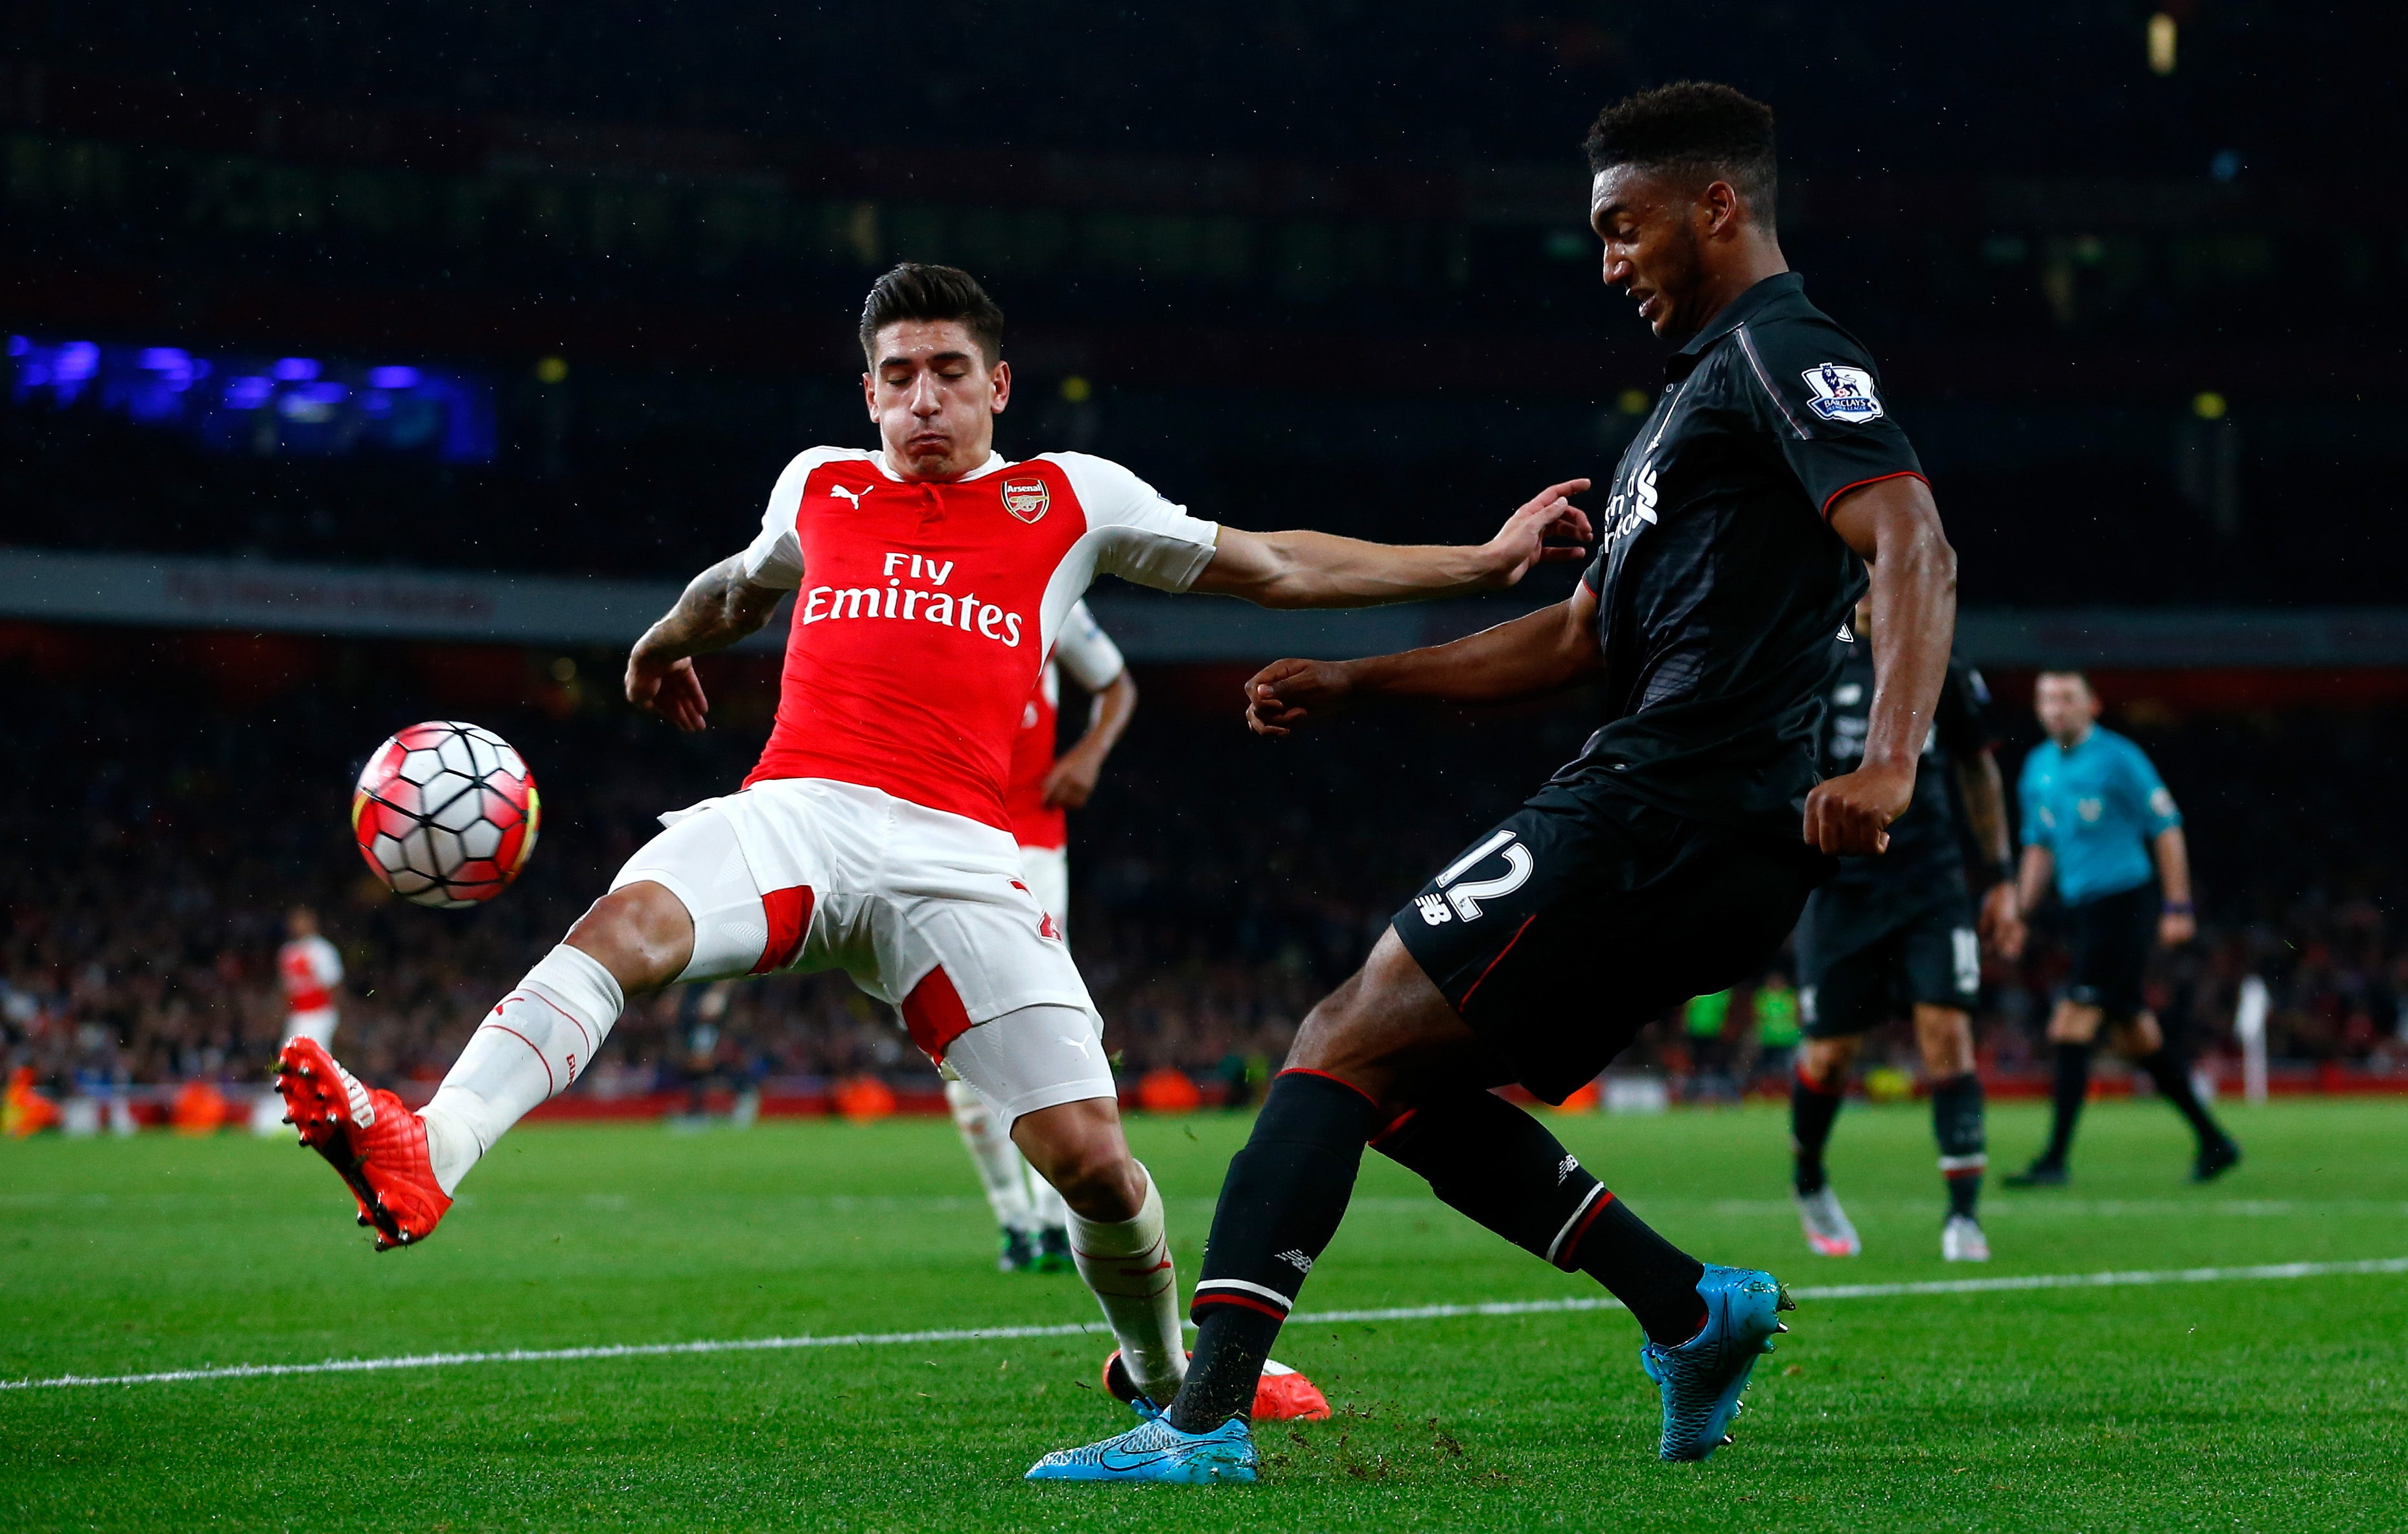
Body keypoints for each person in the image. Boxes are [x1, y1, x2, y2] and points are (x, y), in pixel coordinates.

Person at [273, 261, 1589, 1433]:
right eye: (895, 376)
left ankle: (1157, 1366)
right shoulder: (821, 481)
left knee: (1091, 1160)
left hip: (964, 859)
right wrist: (663, 641)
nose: (920, 400)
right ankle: (427, 1147)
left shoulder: (1068, 499)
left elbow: (1275, 567)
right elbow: (737, 583)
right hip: (798, 808)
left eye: (947, 373)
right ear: (867, 390)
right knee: (625, 928)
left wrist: (1480, 561)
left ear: (998, 385)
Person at [1030, 81, 1958, 1483]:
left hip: (1668, 804)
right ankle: (1690, 1309)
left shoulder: (1786, 349)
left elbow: (1914, 541)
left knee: (1337, 1034)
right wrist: (1362, 679)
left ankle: (1203, 1421)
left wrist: (1888, 755)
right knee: (1396, 1086)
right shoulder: (1690, 403)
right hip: (1694, 827)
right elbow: (1580, 635)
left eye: (1623, 228)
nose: (1607, 263)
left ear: (1715, 206)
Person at [1787, 597, 2021, 1262]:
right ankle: (1808, 1182)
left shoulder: (1935, 660)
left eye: (1879, 571)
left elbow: (1977, 767)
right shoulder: (1812, 661)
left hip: (1930, 883)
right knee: (1829, 1054)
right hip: (1840, 885)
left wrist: (2000, 875)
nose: (1868, 587)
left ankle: (1963, 1218)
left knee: (1946, 1035)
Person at [952, 599, 1135, 1274]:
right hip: (943, 840)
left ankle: (1057, 1216)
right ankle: (1015, 1222)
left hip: (1030, 844)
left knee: (1043, 1019)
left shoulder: (1053, 592)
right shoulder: (922, 585)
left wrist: (1087, 754)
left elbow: (1116, 683)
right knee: (956, 1039)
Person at [2003, 670, 2240, 1186]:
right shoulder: (2037, 768)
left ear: (2094, 706)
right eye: (2047, 699)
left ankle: (2054, 1162)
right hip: (2083, 910)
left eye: (2067, 698)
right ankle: (2216, 1141)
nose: (2055, 708)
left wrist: (2177, 906)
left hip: (2124, 904)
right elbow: (2039, 849)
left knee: (2070, 1025)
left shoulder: (2119, 758)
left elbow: (2167, 827)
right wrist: (2018, 915)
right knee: (2136, 1036)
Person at [252, 908, 342, 1135]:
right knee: (287, 1061)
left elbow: (333, 985)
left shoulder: (322, 951)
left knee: (317, 1063)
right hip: (298, 1015)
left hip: (319, 1013)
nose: (298, 925)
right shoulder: (288, 953)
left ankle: (324, 1113)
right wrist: (281, 1016)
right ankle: (289, 1111)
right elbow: (286, 990)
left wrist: (335, 1018)